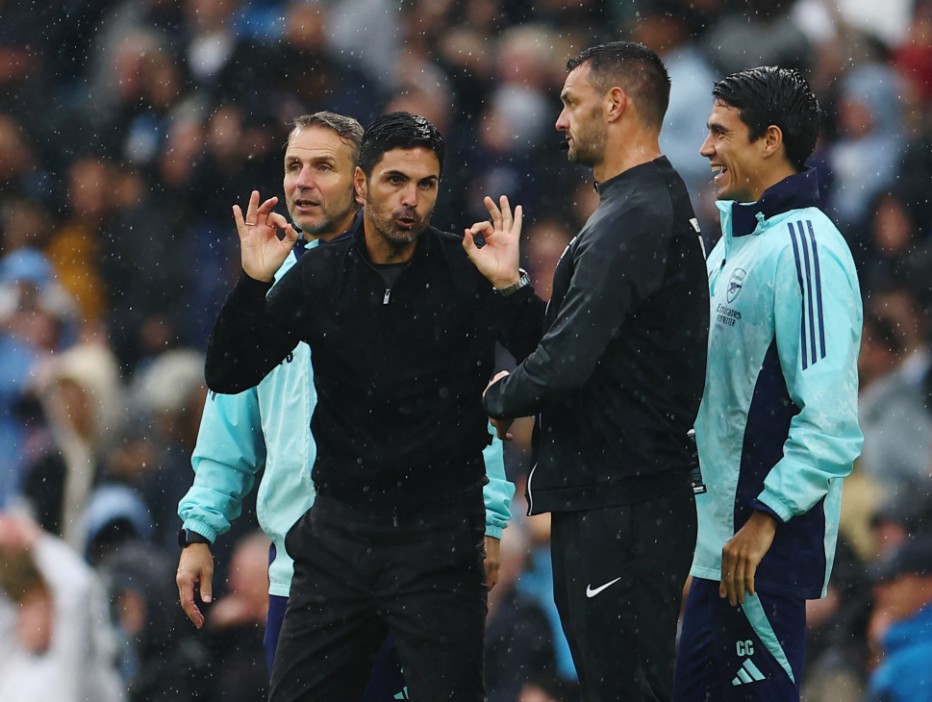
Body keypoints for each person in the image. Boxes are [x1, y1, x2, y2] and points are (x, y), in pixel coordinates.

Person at [202, 111, 541, 702]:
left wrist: (512, 290)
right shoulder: (318, 277)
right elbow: (228, 375)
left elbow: (549, 365)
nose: (411, 199)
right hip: (338, 539)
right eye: (395, 181)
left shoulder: (467, 272)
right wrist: (253, 283)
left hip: (437, 543)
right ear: (363, 185)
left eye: (426, 184)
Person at [465, 41, 710, 701]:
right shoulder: (641, 206)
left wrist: (487, 400)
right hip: (622, 499)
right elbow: (575, 349)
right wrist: (512, 293)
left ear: (616, 104)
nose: (558, 120)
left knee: (625, 690)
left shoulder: (631, 219)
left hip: (620, 505)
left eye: (571, 103)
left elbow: (564, 366)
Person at [672, 67, 864, 702]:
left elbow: (831, 421)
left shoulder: (810, 249)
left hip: (759, 559)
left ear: (769, 140)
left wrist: (764, 519)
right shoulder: (733, 245)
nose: (705, 149)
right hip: (715, 553)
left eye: (720, 132)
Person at [865, 536, 932, 702]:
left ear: (927, 584)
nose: (880, 591)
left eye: (893, 580)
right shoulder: (901, 646)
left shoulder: (921, 660)